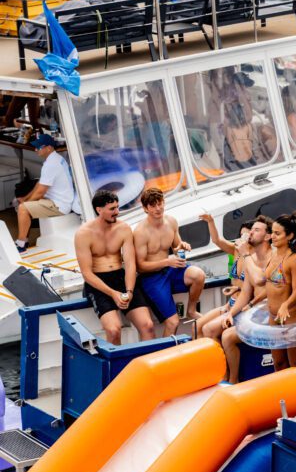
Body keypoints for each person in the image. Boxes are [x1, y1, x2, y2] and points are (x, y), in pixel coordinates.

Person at [74, 190, 154, 345]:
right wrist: (113, 294)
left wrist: (129, 291)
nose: (117, 212)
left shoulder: (123, 228)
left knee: (148, 326)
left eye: (117, 207)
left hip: (121, 278)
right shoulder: (83, 234)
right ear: (99, 209)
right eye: (112, 209)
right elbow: (86, 274)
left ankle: (149, 365)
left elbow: (130, 264)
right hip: (98, 283)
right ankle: (117, 369)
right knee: (113, 329)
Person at [240, 211, 296, 371]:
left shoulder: (295, 259)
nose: (273, 237)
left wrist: (285, 305)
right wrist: (252, 303)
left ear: (290, 236)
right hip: (273, 318)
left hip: (291, 318)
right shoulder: (274, 254)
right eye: (273, 233)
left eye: (278, 234)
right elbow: (271, 286)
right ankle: (284, 395)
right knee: (278, 364)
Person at [134, 188, 205, 336]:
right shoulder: (140, 232)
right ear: (145, 208)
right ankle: (164, 356)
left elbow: (176, 248)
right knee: (173, 323)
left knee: (198, 274)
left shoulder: (171, 221)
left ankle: (191, 310)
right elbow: (140, 267)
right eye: (153, 206)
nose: (158, 208)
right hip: (152, 277)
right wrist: (167, 262)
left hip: (171, 269)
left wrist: (183, 246)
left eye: (160, 203)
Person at [220, 217, 274, 383]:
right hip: (256, 313)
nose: (250, 233)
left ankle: (233, 382)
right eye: (252, 229)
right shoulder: (254, 259)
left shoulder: (273, 258)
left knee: (227, 337)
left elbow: (260, 282)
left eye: (256, 230)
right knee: (222, 327)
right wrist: (231, 313)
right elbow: (246, 292)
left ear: (267, 237)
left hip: (270, 315)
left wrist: (250, 304)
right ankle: (229, 380)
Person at [15, 134, 76, 254]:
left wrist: (26, 203)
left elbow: (40, 192)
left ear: (48, 148)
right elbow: (40, 184)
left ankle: (21, 245)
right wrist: (25, 198)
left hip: (59, 205)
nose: (36, 149)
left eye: (39, 147)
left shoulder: (51, 164)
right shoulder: (56, 159)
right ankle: (24, 240)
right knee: (24, 204)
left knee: (23, 209)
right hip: (58, 200)